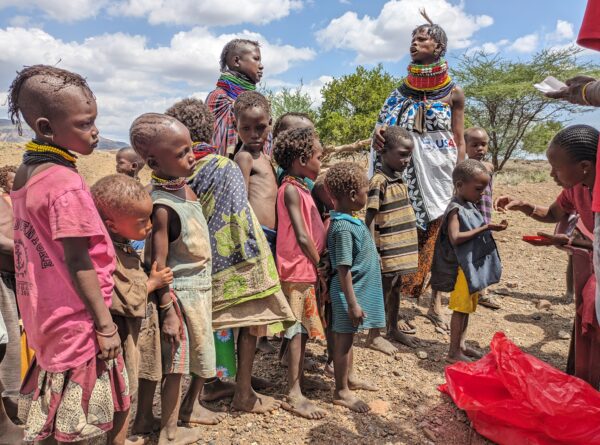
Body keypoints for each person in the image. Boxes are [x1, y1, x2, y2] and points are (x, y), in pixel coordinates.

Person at [7, 65, 130, 444]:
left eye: (95, 121)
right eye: (84, 124)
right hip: (79, 322)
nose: (95, 132)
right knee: (84, 422)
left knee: (57, 407)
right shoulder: (65, 185)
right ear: (46, 128)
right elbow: (78, 262)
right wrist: (105, 326)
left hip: (46, 316)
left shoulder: (27, 172)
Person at [166, 101, 295, 414]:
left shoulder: (178, 169)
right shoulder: (223, 166)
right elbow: (238, 216)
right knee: (248, 325)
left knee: (208, 329)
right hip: (235, 261)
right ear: (214, 129)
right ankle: (242, 395)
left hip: (191, 262)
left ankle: (218, 386)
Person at [130, 113, 228, 444]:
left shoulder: (185, 191)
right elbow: (155, 264)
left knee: (173, 362)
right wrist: (168, 310)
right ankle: (168, 431)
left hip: (196, 293)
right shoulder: (162, 206)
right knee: (174, 367)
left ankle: (145, 420)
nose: (191, 157)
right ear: (155, 160)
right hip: (178, 297)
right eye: (182, 152)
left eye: (191, 149)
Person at [369, 10, 465, 333]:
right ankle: (385, 317)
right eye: (412, 38)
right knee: (395, 242)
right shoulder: (398, 92)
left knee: (433, 241)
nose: (414, 42)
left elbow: (458, 139)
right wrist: (379, 133)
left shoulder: (453, 93)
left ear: (438, 47)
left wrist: (460, 181)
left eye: (422, 38)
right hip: (401, 179)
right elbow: (381, 126)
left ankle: (432, 304)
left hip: (439, 180)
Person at [495, 125, 600, 387]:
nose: (552, 174)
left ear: (585, 166)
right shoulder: (576, 188)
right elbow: (554, 213)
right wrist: (523, 205)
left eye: (557, 168)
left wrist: (571, 242)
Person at [91, 174, 176, 441]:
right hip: (120, 337)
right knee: (121, 395)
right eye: (142, 222)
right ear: (112, 226)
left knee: (126, 391)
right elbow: (124, 299)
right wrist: (152, 283)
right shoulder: (107, 254)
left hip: (131, 336)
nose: (150, 226)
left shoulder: (122, 244)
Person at [273, 127, 327, 419]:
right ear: (302, 159)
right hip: (298, 268)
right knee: (295, 331)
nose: (321, 162)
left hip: (304, 267)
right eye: (318, 157)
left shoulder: (301, 186)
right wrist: (319, 263)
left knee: (302, 329)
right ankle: (293, 393)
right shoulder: (291, 189)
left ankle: (298, 381)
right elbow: (304, 237)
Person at [430, 160, 506, 363]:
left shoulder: (469, 205)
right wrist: (485, 228)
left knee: (467, 310)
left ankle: (461, 345)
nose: (482, 194)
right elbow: (455, 238)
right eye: (479, 189)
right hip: (462, 269)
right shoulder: (456, 209)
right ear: (460, 185)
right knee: (460, 310)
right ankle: (453, 352)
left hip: (470, 268)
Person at [325, 162, 386, 413]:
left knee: (349, 340)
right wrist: (352, 303)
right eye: (365, 191)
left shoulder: (349, 221)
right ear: (352, 196)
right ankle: (340, 391)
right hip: (347, 296)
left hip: (354, 294)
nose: (367, 196)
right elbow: (343, 268)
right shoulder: (342, 227)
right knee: (343, 342)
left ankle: (348, 379)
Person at [365, 126, 419, 354]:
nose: (407, 160)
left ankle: (392, 327)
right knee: (383, 289)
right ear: (383, 152)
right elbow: (369, 216)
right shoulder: (379, 181)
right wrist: (371, 250)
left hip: (399, 251)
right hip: (385, 250)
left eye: (409, 155)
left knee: (395, 287)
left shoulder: (400, 179)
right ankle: (374, 335)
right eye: (402, 154)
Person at [206, 39, 270, 157]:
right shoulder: (219, 97)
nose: (261, 66)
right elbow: (215, 141)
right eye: (256, 59)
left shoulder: (256, 101)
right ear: (236, 61)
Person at [463, 127, 502, 310]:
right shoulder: (462, 168)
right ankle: (437, 299)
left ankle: (482, 292)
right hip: (466, 222)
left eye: (483, 144)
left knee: (482, 254)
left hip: (484, 219)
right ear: (464, 147)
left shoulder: (488, 166)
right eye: (475, 145)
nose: (480, 149)